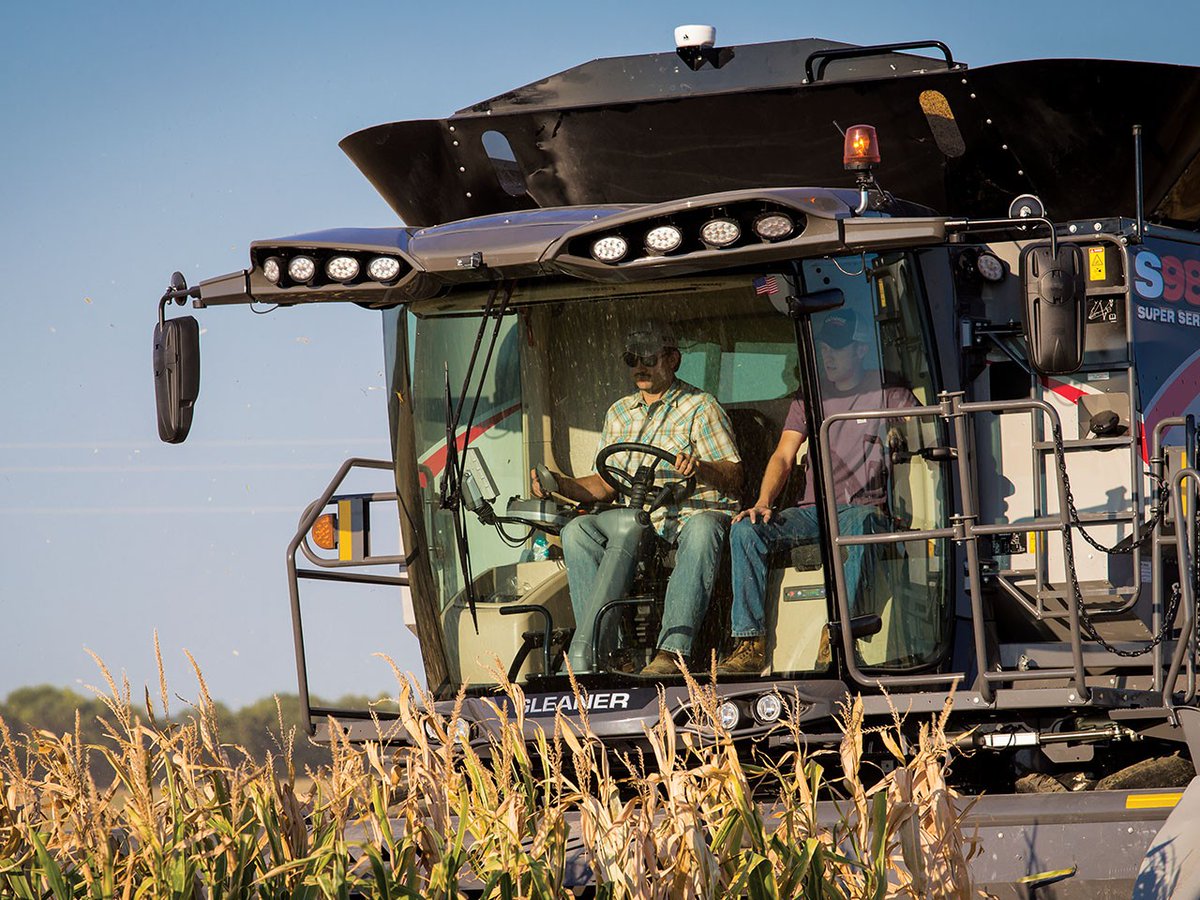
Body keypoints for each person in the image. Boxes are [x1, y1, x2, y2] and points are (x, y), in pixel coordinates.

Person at [532, 321, 742, 676]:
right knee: (578, 531)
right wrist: (560, 485)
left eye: (648, 357)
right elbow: (605, 483)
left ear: (672, 359)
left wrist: (701, 468)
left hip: (692, 515)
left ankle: (672, 653)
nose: (639, 367)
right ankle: (610, 653)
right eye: (632, 359)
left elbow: (735, 476)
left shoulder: (700, 407)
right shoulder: (618, 412)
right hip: (641, 522)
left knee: (704, 528)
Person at [717, 309, 916, 676]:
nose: (828, 356)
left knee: (863, 523)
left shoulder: (886, 390)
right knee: (746, 529)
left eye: (837, 348)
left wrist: (901, 434)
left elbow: (923, 432)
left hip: (862, 509)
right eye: (823, 348)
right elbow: (783, 455)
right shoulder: (809, 396)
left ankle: (839, 634)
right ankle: (749, 642)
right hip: (812, 513)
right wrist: (762, 503)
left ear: (859, 351)